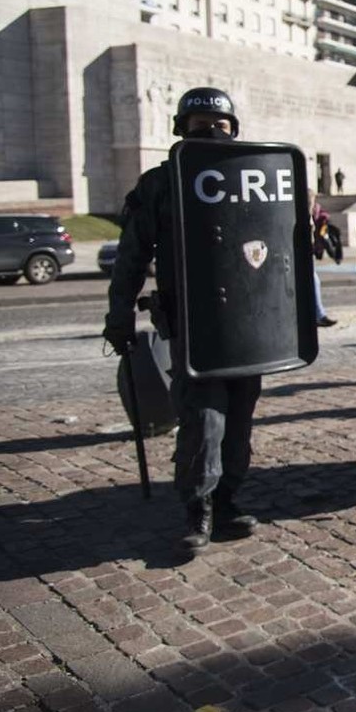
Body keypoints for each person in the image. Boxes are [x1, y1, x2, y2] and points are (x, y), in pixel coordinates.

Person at [104, 87, 260, 556]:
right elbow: (131, 258)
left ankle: (227, 498)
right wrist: (119, 315)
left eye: (221, 126)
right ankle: (199, 508)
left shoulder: (252, 177)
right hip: (193, 328)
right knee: (204, 420)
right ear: (180, 131)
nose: (212, 133)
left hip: (247, 328)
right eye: (200, 127)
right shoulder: (160, 185)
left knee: (238, 422)